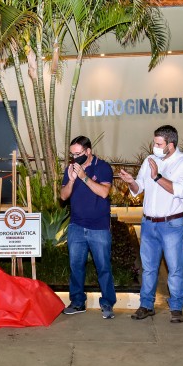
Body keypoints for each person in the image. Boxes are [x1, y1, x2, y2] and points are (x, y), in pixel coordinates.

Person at [119, 125, 183, 323]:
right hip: (149, 223)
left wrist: (157, 176)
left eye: (158, 143)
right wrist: (130, 182)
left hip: (172, 224)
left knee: (174, 268)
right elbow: (139, 188)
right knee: (148, 267)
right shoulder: (149, 160)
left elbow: (180, 190)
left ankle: (176, 307)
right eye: (154, 142)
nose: (154, 146)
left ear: (171, 144)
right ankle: (146, 305)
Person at [60, 135, 116, 319]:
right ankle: (77, 302)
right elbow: (63, 196)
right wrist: (72, 180)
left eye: (78, 153)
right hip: (76, 226)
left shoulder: (103, 167)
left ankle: (107, 303)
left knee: (103, 267)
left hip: (99, 228)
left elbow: (104, 192)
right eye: (72, 154)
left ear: (88, 151)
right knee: (75, 266)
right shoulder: (71, 169)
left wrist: (83, 177)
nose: (75, 157)